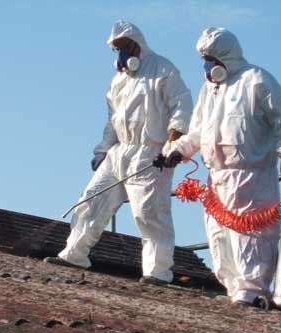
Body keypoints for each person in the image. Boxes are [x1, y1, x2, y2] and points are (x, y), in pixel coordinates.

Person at [45, 21, 193, 285]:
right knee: (91, 200)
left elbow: (181, 109)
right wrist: (103, 150)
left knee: (149, 213)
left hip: (151, 154)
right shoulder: (118, 81)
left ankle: (158, 273)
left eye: (123, 47)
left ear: (136, 44)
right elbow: (113, 120)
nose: (121, 54)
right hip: (120, 152)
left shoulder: (163, 70)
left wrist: (171, 148)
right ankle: (74, 255)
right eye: (116, 49)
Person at [166, 27, 281, 308]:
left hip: (251, 177)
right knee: (220, 238)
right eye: (204, 58)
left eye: (211, 58)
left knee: (250, 236)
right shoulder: (211, 89)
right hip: (216, 177)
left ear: (226, 56)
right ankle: (233, 290)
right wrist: (176, 150)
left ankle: (253, 293)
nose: (207, 66)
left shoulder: (257, 81)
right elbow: (198, 131)